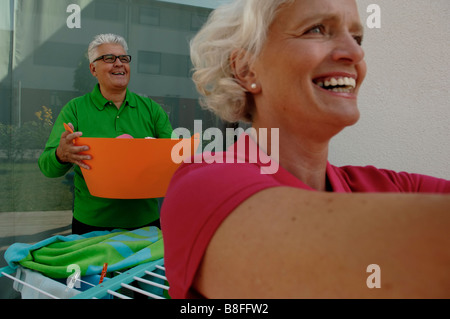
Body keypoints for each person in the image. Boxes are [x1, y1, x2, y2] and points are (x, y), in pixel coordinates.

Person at [160, 0, 450, 299]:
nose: (355, 53)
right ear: (246, 69)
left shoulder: (389, 187)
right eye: (317, 29)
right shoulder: (203, 186)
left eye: (357, 38)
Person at [39, 34, 173, 235]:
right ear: (93, 69)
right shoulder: (74, 110)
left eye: (124, 58)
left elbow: (174, 159)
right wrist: (60, 154)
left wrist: (157, 155)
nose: (119, 64)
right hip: (90, 225)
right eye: (109, 58)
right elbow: (47, 167)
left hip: (145, 225)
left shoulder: (151, 109)